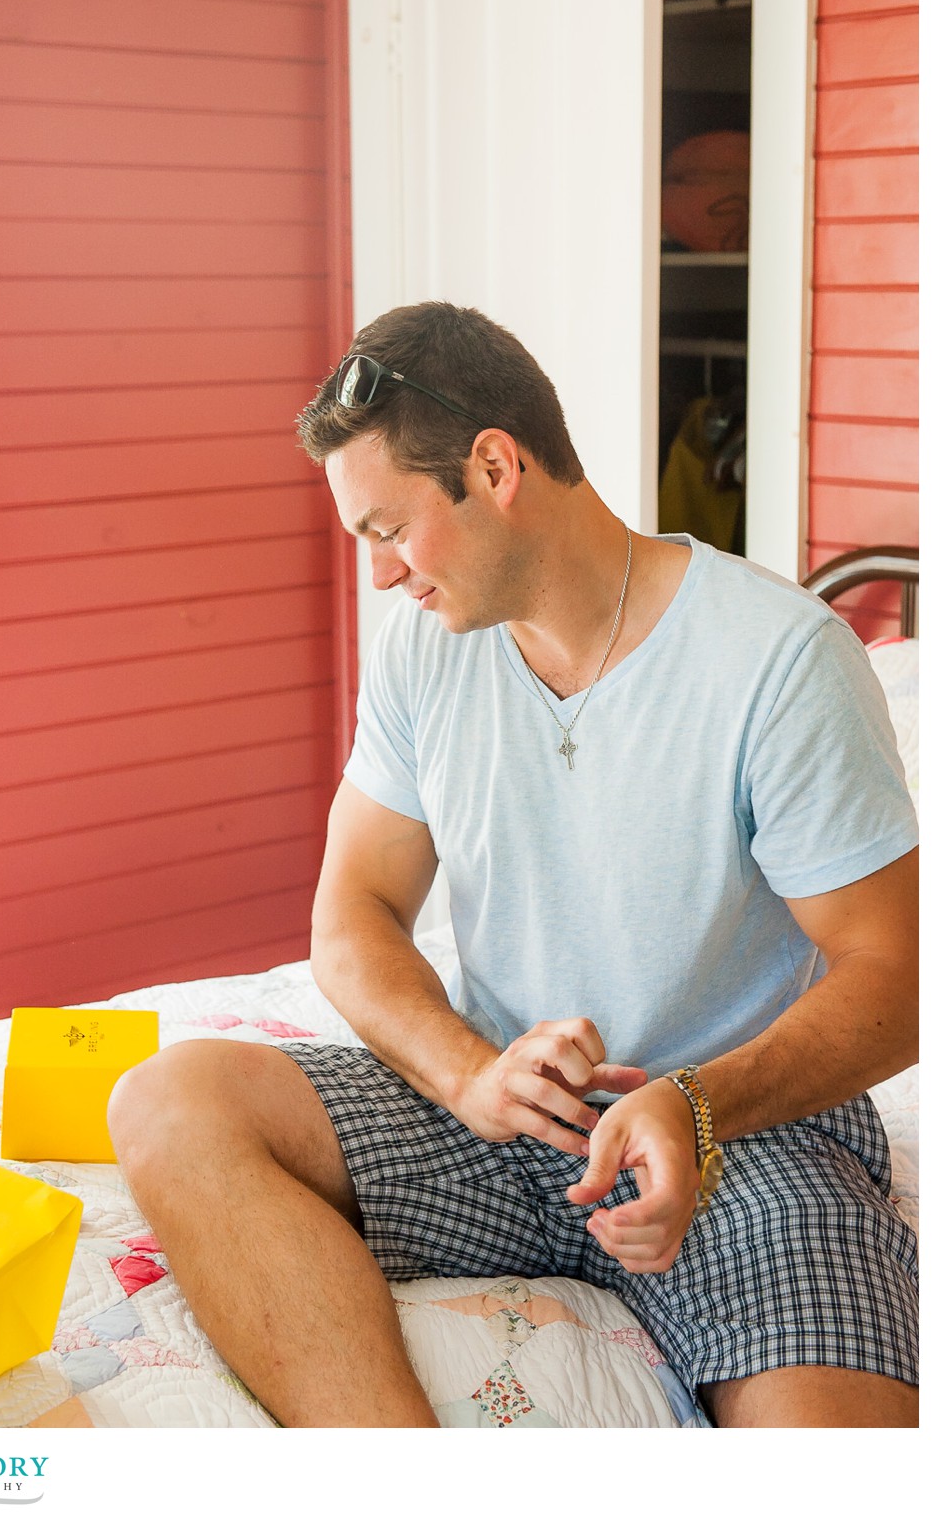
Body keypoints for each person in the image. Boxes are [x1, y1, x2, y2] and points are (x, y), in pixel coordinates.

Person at [108, 301, 918, 1429]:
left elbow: (892, 981)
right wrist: (467, 1074)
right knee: (167, 1099)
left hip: (739, 1135)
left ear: (493, 467)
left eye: (389, 528)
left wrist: (693, 1102)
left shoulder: (778, 659)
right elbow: (353, 912)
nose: (384, 576)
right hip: (503, 1111)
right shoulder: (423, 655)